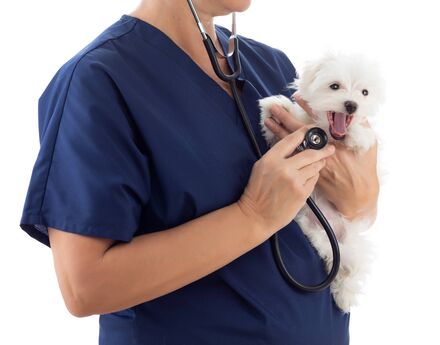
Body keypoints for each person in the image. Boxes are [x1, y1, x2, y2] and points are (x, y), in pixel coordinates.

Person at [19, 0, 379, 344]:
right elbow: (85, 288)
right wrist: (252, 215)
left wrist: (361, 196)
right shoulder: (97, 81)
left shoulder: (270, 66)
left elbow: (352, 203)